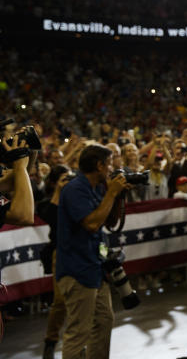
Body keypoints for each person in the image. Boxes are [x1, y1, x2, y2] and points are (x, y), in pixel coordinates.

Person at [56, 144, 131, 359]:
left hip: (96, 267)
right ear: (99, 165)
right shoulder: (75, 189)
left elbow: (110, 221)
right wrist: (112, 193)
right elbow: (91, 224)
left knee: (103, 322)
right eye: (108, 164)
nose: (111, 169)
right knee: (79, 332)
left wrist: (116, 196)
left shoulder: (98, 187)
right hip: (77, 270)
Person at [36, 166, 72, 359]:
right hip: (60, 253)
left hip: (78, 252)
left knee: (79, 300)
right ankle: (50, 342)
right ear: (54, 182)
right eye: (63, 179)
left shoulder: (76, 199)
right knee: (60, 302)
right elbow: (51, 217)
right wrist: (59, 192)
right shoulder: (46, 203)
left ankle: (78, 341)